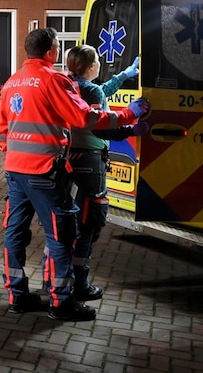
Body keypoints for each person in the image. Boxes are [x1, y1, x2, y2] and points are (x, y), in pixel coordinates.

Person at [0, 27, 149, 321]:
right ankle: (61, 302)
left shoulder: (12, 82)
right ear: (51, 51)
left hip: (15, 172)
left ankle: (17, 295)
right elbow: (85, 117)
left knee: (15, 233)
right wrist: (129, 114)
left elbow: (1, 128)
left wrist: (13, 153)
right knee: (62, 235)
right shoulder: (54, 80)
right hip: (44, 172)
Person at [62, 46, 148, 302]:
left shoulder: (68, 85)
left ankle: (57, 277)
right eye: (97, 61)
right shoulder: (91, 89)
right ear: (90, 66)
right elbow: (102, 128)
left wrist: (123, 76)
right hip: (90, 162)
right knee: (90, 223)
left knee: (69, 220)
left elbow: (97, 95)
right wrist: (132, 128)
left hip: (69, 159)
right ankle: (80, 283)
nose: (99, 64)